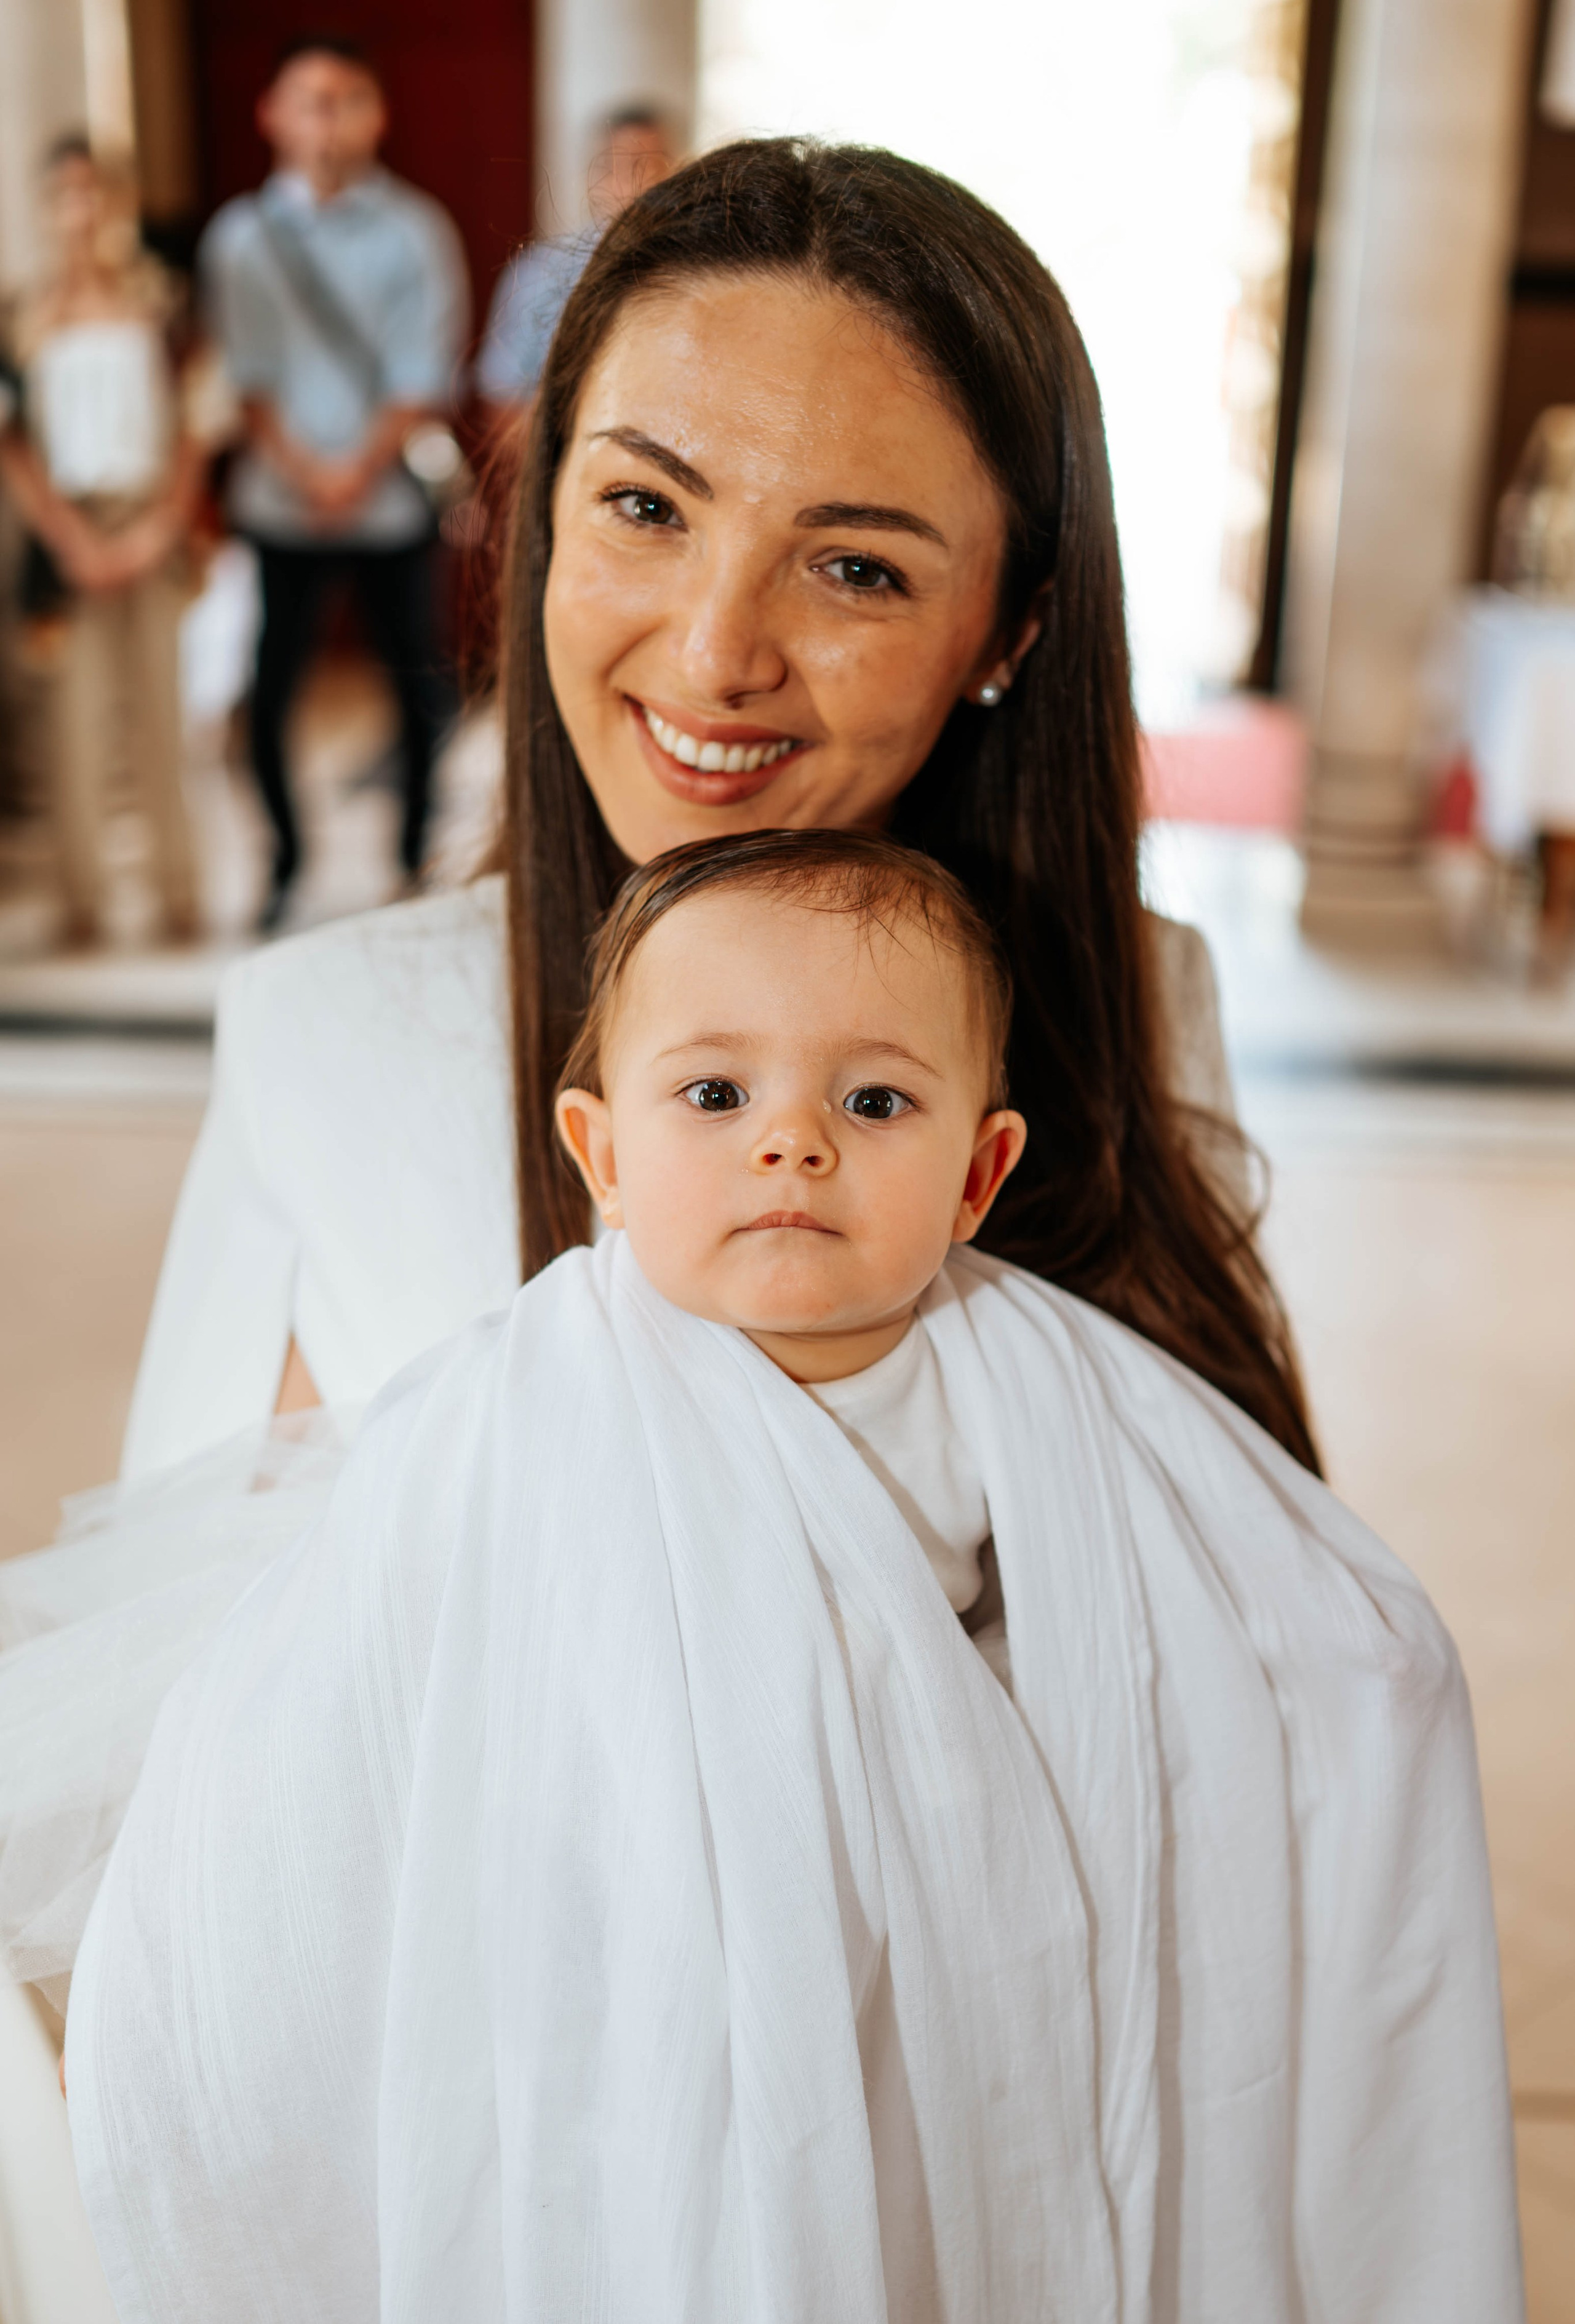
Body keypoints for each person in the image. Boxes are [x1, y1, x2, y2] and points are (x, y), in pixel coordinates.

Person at [1, 137, 1332, 2317]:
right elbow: (201, 1837)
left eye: (860, 568)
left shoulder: (1141, 999)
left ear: (1009, 627)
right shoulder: (340, 1044)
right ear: (529, 519)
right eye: (642, 505)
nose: (716, 651)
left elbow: (1251, 1697)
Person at [57, 830, 1517, 2316]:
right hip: (637, 1933)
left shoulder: (1039, 1380)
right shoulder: (507, 1400)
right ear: (603, 1153)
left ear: (976, 1172)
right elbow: (356, 1672)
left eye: (872, 1100)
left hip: (941, 1958)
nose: (791, 1141)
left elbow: (1247, 1583)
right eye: (713, 1093)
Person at [200, 36, 469, 928]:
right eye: (309, 100)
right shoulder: (239, 238)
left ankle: (411, 860)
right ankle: (283, 863)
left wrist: (353, 470)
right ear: (272, 114)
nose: (328, 118)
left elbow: (423, 371)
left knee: (418, 686)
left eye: (347, 98)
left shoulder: (416, 229)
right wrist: (306, 472)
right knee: (269, 689)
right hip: (280, 503)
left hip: (388, 502)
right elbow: (246, 377)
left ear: (377, 114)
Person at [0, 137, 204, 948]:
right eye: (65, 196)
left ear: (117, 204)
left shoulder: (161, 304)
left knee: (161, 709)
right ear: (48, 210)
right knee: (73, 718)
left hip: (150, 516)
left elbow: (198, 425)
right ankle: (81, 899)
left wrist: (159, 528)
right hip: (65, 532)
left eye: (95, 194)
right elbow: (13, 445)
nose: (81, 213)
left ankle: (179, 891)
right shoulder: (22, 315)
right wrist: (69, 538)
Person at [474, 104, 679, 428]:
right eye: (619, 169)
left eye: (652, 167)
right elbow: (502, 399)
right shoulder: (539, 272)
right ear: (592, 178)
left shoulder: (698, 271)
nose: (637, 185)